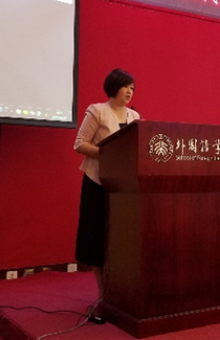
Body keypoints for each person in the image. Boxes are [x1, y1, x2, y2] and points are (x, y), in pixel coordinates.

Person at [73, 68, 140, 316]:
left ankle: (120, 291)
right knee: (97, 238)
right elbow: (80, 144)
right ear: (114, 86)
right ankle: (103, 294)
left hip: (125, 188)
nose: (130, 91)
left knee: (121, 239)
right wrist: (110, 154)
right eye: (126, 86)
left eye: (132, 88)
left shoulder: (135, 117)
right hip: (97, 183)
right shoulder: (97, 111)